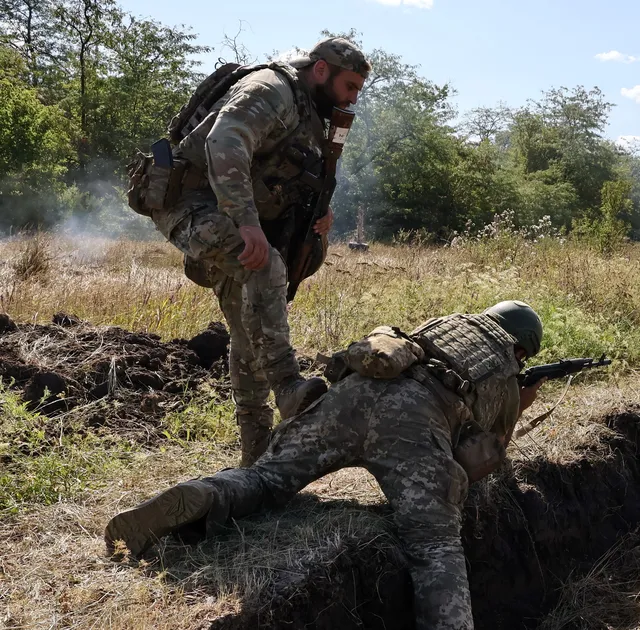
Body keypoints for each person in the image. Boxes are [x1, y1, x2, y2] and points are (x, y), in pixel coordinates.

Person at [104, 300, 547, 630]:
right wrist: (520, 402)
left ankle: (205, 494)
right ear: (521, 348)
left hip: (349, 399)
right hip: (415, 422)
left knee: (267, 477)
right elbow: (488, 453)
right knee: (434, 547)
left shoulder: (446, 324)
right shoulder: (504, 370)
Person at [141, 37, 372, 466]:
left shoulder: (308, 110)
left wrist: (320, 212)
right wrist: (247, 222)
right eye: (350, 86)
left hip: (230, 209)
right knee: (265, 267)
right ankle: (287, 386)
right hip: (189, 201)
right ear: (321, 70)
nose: (353, 98)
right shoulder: (271, 89)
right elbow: (225, 142)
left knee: (249, 331)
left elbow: (288, 170)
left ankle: (256, 457)